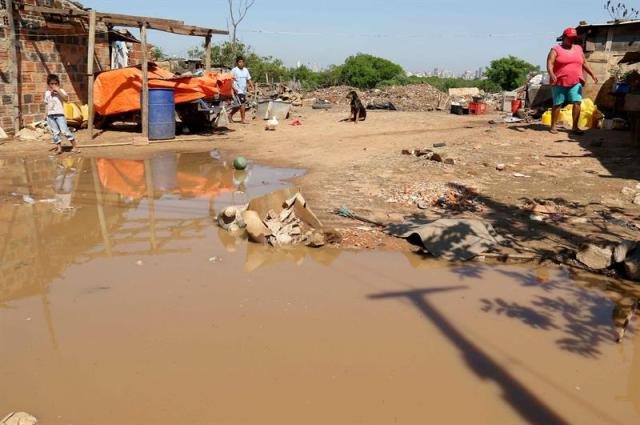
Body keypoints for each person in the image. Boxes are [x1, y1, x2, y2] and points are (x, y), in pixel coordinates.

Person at [547, 27, 599, 135]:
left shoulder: (578, 48)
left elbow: (584, 63)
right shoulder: (555, 49)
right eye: (569, 38)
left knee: (577, 102)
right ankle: (553, 126)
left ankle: (575, 127)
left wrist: (593, 74)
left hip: (576, 81)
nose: (572, 40)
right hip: (559, 81)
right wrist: (552, 74)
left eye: (573, 38)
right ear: (564, 37)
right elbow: (550, 63)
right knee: (558, 103)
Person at [44, 74, 79, 154]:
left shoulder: (61, 91)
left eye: (56, 84)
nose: (54, 85)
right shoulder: (47, 93)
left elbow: (66, 99)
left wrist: (58, 91)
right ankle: (59, 148)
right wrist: (46, 114)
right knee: (55, 132)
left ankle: (74, 147)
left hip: (60, 115)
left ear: (58, 84)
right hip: (51, 115)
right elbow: (46, 103)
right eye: (52, 84)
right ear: (48, 84)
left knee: (65, 131)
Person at [230, 56, 254, 124]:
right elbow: (231, 80)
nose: (241, 63)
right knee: (242, 104)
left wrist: (252, 86)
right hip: (237, 90)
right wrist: (233, 88)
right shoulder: (234, 70)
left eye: (242, 62)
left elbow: (248, 79)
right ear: (237, 63)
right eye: (239, 62)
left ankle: (230, 115)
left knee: (238, 105)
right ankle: (243, 119)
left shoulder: (246, 70)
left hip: (243, 90)